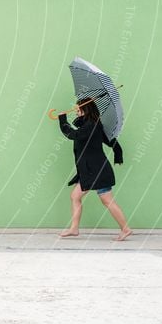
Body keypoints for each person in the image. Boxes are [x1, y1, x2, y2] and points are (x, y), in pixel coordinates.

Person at [57, 99, 132, 241]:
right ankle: (74, 228)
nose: (76, 110)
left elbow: (73, 135)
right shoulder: (90, 124)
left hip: (97, 170)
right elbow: (110, 140)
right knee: (75, 196)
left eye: (78, 108)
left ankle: (126, 229)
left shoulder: (91, 126)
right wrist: (118, 155)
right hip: (88, 170)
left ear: (86, 109)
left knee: (107, 200)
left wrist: (63, 121)